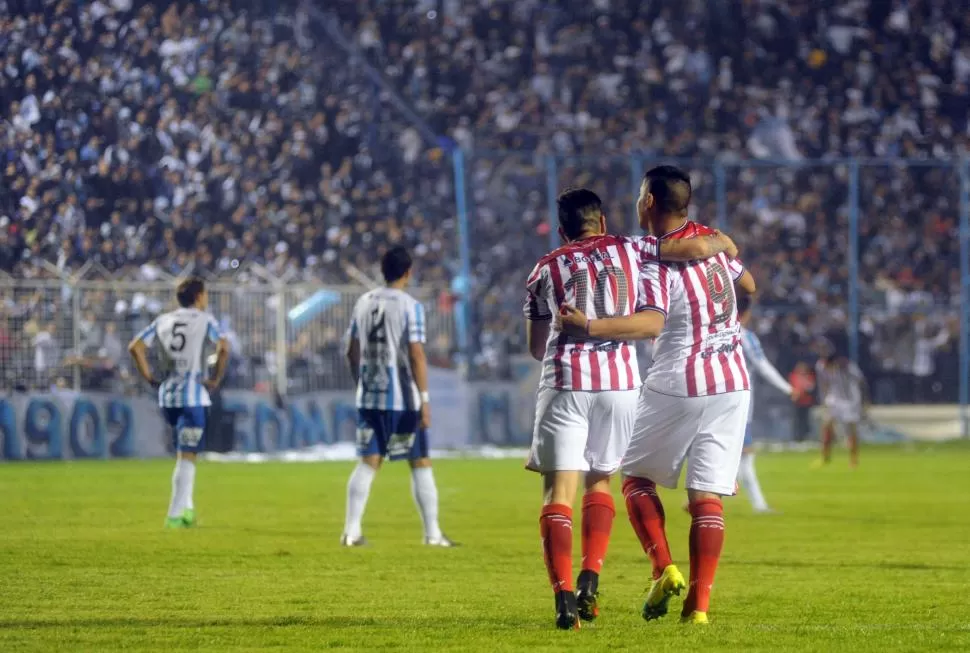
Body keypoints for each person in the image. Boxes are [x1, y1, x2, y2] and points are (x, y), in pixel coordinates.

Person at [524, 187, 738, 630]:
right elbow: (691, 247)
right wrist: (721, 242)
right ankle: (590, 575)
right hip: (621, 385)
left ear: (563, 229)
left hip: (567, 380)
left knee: (557, 496)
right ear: (601, 222)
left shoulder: (546, 267)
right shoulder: (631, 247)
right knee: (600, 483)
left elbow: (534, 345)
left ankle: (565, 599)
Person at [341, 246, 456, 548]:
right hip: (402, 399)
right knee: (420, 461)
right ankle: (432, 534)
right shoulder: (410, 306)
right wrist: (425, 398)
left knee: (368, 461)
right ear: (408, 272)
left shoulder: (363, 302)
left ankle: (351, 532)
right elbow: (416, 354)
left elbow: (351, 350)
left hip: (370, 395)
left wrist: (361, 380)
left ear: (383, 270)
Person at [128, 277, 230, 529]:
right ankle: (174, 515)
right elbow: (224, 347)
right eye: (205, 294)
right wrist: (215, 377)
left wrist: (150, 377)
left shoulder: (163, 320)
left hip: (167, 396)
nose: (206, 299)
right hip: (192, 395)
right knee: (187, 457)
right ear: (198, 296)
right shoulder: (205, 320)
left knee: (186, 453)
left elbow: (135, 346)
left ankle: (187, 510)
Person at [737, 296, 800, 513]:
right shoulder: (745, 337)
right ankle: (759, 505)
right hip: (739, 405)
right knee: (745, 458)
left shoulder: (709, 333)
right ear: (745, 313)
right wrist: (788, 388)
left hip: (710, 403)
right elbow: (763, 367)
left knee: (732, 457)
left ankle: (701, 498)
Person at [815, 343, 869, 468]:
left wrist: (865, 402)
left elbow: (862, 382)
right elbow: (824, 384)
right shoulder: (821, 366)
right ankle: (825, 457)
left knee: (851, 431)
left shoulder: (848, 367)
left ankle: (854, 460)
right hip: (834, 399)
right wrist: (824, 401)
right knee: (826, 426)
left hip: (850, 401)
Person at [789, 362, 816, 442]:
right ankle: (796, 437)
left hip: (806, 402)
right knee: (796, 420)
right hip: (796, 402)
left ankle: (805, 437)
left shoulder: (809, 376)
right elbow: (791, 386)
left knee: (805, 420)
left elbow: (811, 387)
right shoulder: (793, 375)